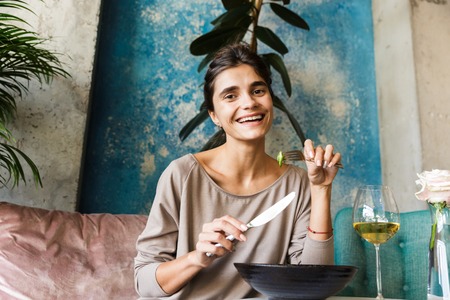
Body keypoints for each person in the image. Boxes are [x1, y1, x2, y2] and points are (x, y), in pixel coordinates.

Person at [134, 43, 341, 300]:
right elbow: (145, 282)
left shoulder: (298, 183)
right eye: (230, 96)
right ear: (214, 115)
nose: (249, 103)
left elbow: (313, 284)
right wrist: (197, 258)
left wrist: (321, 190)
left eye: (257, 90)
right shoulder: (182, 174)